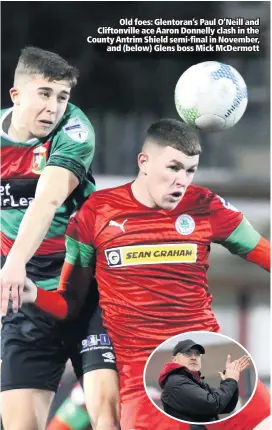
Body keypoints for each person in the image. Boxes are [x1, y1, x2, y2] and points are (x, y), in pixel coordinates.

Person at [21, 118, 270, 430]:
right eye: (173, 168)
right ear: (144, 162)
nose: (182, 180)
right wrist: (34, 294)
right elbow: (70, 302)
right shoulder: (95, 213)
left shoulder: (205, 206)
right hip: (143, 375)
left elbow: (265, 254)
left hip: (212, 356)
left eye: (190, 170)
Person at [0, 46, 120, 430]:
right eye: (44, 94)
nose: (53, 107)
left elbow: (48, 198)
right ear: (16, 95)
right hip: (27, 297)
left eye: (62, 96)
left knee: (108, 419)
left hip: (87, 288)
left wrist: (12, 263)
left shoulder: (75, 130)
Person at [159, 339, 250, 423]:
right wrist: (230, 381)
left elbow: (226, 406)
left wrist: (230, 380)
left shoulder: (195, 382)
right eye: (187, 353)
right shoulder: (176, 383)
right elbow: (212, 404)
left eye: (197, 354)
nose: (194, 357)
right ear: (174, 360)